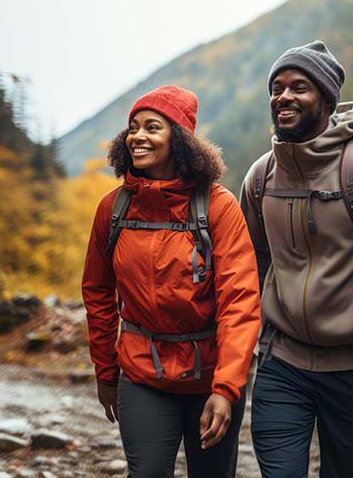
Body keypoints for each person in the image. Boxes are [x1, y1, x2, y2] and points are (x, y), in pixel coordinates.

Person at [239, 41, 353, 478]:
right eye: (277, 87)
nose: (284, 96)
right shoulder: (261, 176)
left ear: (326, 100)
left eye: (299, 87)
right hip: (281, 364)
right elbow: (253, 265)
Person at [82, 85, 260, 478]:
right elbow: (97, 292)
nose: (137, 137)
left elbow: (240, 301)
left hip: (210, 376)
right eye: (133, 127)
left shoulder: (218, 205)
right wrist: (106, 371)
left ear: (178, 138)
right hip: (143, 374)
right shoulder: (113, 208)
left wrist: (226, 387)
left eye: (152, 127)